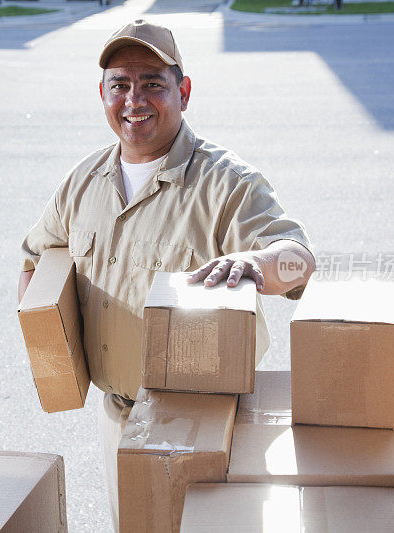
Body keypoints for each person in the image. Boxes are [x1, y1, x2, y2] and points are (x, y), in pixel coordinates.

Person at [17, 19, 315, 530]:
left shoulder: (227, 182)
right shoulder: (82, 183)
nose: (135, 99)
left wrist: (255, 265)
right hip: (118, 416)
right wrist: (51, 352)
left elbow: (299, 261)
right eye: (120, 85)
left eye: (153, 83)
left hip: (207, 420)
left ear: (184, 91)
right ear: (104, 94)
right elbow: (34, 262)